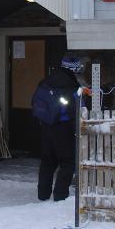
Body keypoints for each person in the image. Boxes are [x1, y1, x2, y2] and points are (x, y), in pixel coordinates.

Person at [35, 55, 83, 201]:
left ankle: (43, 195)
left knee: (47, 161)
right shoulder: (71, 86)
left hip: (46, 127)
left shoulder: (47, 81)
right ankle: (60, 196)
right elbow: (75, 110)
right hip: (63, 128)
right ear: (73, 69)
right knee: (68, 162)